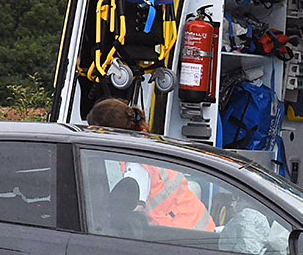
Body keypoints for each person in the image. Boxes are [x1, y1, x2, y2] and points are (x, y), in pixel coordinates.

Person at [86, 97, 215, 231]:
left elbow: (133, 215)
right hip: (200, 229)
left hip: (186, 238)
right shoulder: (146, 144)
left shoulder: (136, 168)